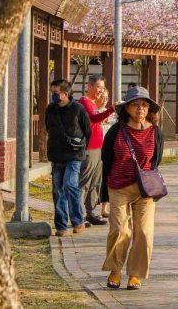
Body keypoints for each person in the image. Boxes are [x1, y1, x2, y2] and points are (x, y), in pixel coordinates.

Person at [101, 85, 164, 291]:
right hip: (118, 187)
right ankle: (115, 269)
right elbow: (106, 161)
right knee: (120, 230)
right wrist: (104, 193)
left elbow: (155, 162)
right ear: (127, 108)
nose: (140, 109)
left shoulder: (155, 132)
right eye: (135, 105)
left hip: (144, 190)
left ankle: (135, 274)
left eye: (144, 105)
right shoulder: (116, 131)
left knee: (144, 232)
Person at [45, 79, 92, 237]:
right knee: (58, 190)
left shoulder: (78, 109)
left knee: (70, 185)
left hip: (74, 155)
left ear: (65, 94)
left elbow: (87, 131)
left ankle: (78, 220)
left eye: (56, 93)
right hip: (56, 155)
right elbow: (48, 128)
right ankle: (61, 225)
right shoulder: (50, 109)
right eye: (52, 92)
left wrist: (82, 149)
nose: (53, 95)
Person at [79, 75, 115, 226]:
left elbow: (98, 118)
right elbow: (94, 119)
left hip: (98, 148)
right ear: (90, 86)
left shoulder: (94, 103)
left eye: (102, 87)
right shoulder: (83, 102)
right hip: (88, 148)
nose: (101, 90)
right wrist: (112, 109)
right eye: (98, 87)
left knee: (95, 182)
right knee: (84, 182)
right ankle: (78, 215)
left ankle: (90, 212)